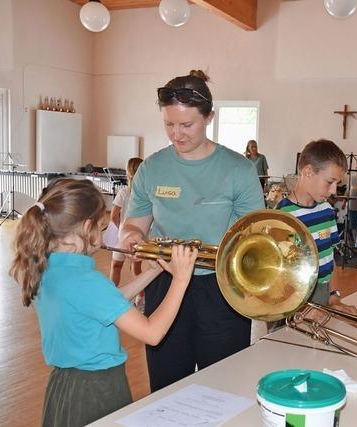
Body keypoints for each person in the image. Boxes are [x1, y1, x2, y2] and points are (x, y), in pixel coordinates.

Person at [119, 69, 265, 392]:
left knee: (223, 386)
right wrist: (130, 236)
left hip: (223, 289)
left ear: (209, 117)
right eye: (169, 124)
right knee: (167, 386)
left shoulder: (239, 171)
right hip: (165, 283)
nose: (176, 134)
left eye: (186, 125)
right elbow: (134, 224)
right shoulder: (151, 169)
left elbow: (255, 240)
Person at [9, 178, 198, 426]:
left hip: (64, 387)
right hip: (97, 390)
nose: (102, 234)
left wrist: (153, 270)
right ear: (87, 228)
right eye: (101, 227)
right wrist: (181, 280)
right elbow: (152, 333)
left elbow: (106, 303)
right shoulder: (86, 281)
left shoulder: (47, 267)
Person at [276, 139, 357, 313]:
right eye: (330, 182)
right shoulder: (282, 217)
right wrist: (301, 309)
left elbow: (329, 258)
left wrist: (334, 297)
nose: (334, 190)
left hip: (322, 292)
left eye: (338, 184)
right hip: (290, 301)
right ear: (308, 172)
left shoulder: (327, 210)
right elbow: (278, 277)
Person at [110, 157, 143, 286]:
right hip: (140, 234)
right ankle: (140, 298)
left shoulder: (123, 192)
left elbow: (113, 216)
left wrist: (120, 229)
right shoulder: (144, 193)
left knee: (116, 266)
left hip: (122, 236)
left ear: (128, 172)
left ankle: (112, 298)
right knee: (136, 268)